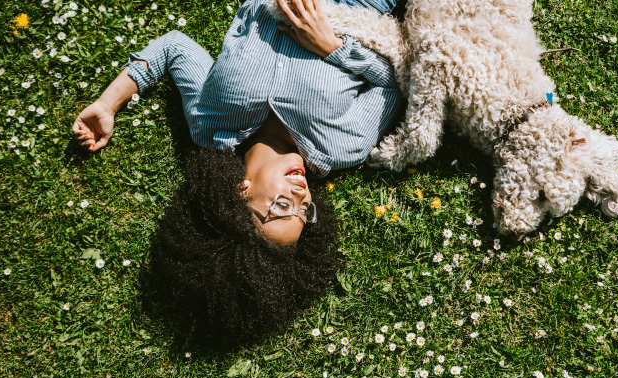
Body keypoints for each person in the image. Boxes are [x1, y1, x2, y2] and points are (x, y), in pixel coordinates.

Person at [72, 0, 405, 346]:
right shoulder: (340, 148)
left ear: (238, 194)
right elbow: (393, 84)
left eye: (280, 207)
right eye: (305, 211)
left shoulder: (210, 125)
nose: (301, 196)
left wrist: (108, 103)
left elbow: (174, 49)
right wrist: (333, 47)